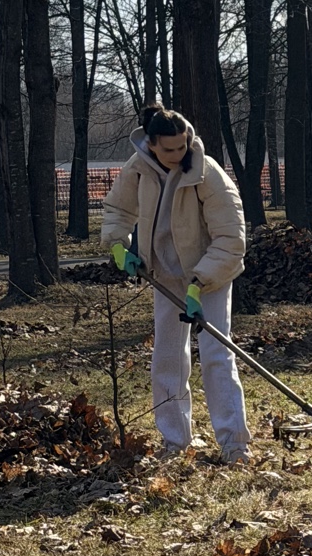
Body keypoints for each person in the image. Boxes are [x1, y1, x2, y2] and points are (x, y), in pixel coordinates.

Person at [101, 103, 250, 462]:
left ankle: (234, 443)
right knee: (167, 355)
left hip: (209, 274)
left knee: (216, 353)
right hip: (164, 274)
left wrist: (199, 284)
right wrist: (118, 246)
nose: (177, 154)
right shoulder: (138, 169)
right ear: (151, 144)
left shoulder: (206, 173)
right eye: (168, 149)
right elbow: (117, 210)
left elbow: (231, 238)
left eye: (182, 146)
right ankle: (174, 439)